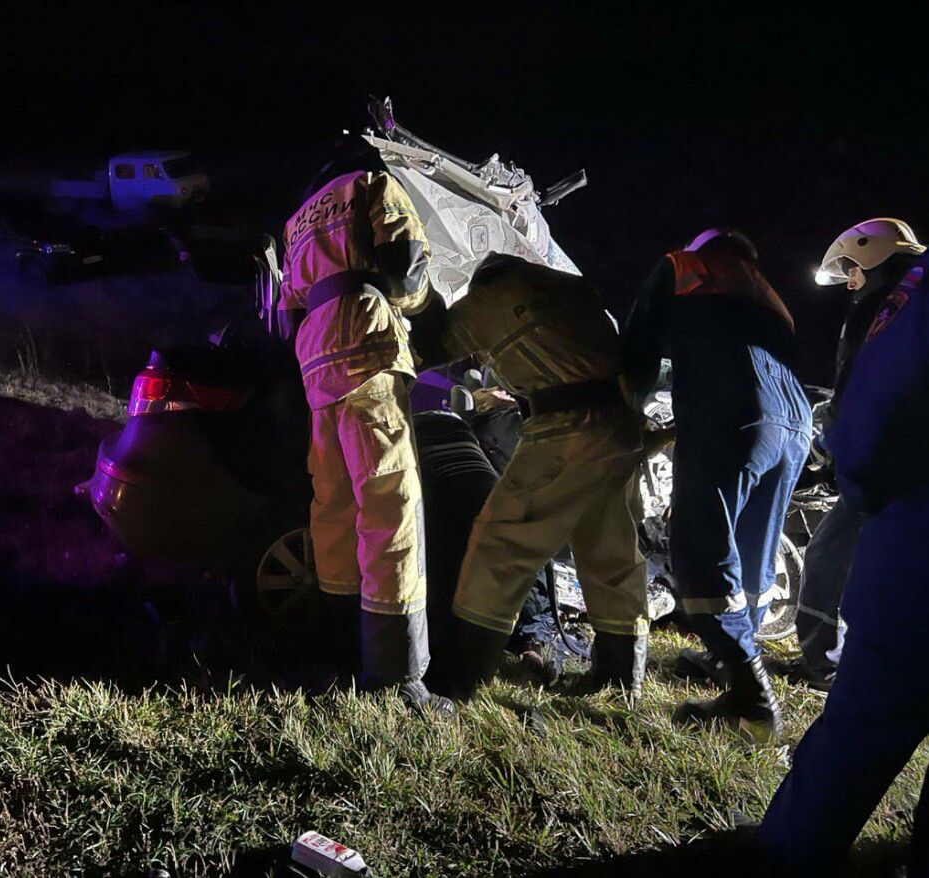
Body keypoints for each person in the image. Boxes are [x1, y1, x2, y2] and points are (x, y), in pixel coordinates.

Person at [758, 231, 929, 871]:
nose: (852, 285)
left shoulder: (911, 296)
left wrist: (855, 475)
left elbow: (872, 409)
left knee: (868, 711)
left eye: (853, 273)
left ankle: (792, 847)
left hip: (917, 524)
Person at [412, 252, 650, 700]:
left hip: (565, 429)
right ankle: (620, 680)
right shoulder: (568, 289)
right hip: (621, 429)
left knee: (501, 542)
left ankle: (460, 677)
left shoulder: (491, 298)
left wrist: (420, 301)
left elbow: (435, 342)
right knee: (611, 552)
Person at [276, 135, 453, 717]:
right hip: (367, 346)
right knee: (390, 499)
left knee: (333, 505)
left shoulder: (297, 222)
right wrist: (427, 308)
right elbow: (406, 269)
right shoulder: (373, 185)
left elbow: (287, 314)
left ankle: (335, 651)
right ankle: (398, 673)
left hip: (315, 362)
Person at [622, 228, 812, 742]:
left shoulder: (684, 266)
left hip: (733, 412)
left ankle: (752, 703)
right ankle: (728, 659)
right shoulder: (770, 297)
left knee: (700, 546)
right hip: (794, 423)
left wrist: (624, 412)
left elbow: (639, 348)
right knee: (754, 550)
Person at [779, 218, 927, 690]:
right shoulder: (909, 296)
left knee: (828, 557)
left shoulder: (892, 303)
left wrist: (836, 443)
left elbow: (868, 386)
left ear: (871, 254)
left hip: (886, 465)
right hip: (899, 464)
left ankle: (824, 665)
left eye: (851, 269)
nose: (849, 281)